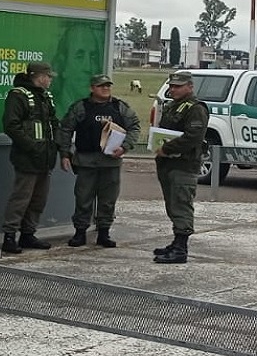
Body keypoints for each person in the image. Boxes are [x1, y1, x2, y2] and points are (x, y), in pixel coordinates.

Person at [57, 74, 141, 248]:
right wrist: (65, 153)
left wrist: (125, 147)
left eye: (108, 86)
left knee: (108, 199)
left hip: (110, 162)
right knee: (83, 198)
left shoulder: (119, 107)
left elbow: (134, 126)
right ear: (92, 88)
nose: (105, 88)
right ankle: (80, 232)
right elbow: (65, 129)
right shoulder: (81, 107)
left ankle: (104, 232)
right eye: (101, 86)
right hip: (86, 161)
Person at [0, 61, 60, 254]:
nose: (50, 80)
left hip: (45, 158)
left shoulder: (45, 97)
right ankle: (9, 237)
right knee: (21, 198)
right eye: (48, 76)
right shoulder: (18, 96)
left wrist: (57, 146)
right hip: (27, 158)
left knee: (38, 199)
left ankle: (28, 234)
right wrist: (32, 147)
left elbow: (53, 123)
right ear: (40, 76)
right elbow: (11, 125)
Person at [152, 70, 208, 265]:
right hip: (169, 164)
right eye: (171, 86)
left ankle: (181, 248)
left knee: (181, 204)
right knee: (173, 204)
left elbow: (193, 137)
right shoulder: (174, 106)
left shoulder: (195, 108)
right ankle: (176, 241)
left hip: (184, 164)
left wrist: (166, 148)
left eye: (177, 86)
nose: (172, 89)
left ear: (189, 87)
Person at [52, 20, 104, 108]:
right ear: (63, 64)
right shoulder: (51, 112)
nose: (88, 67)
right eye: (79, 56)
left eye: (92, 57)